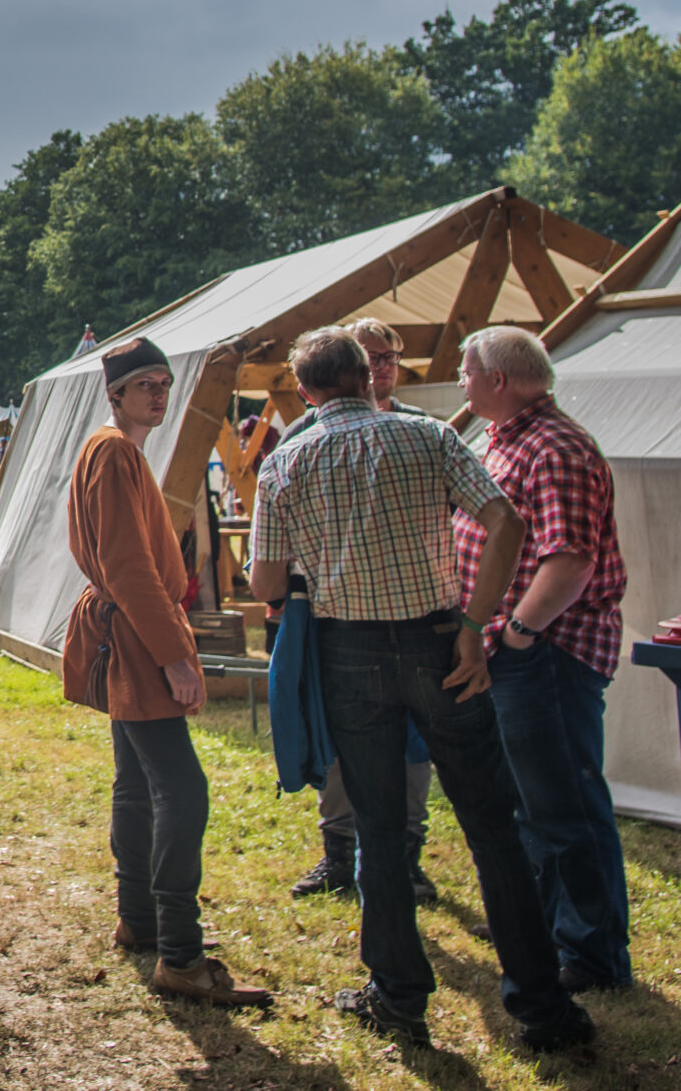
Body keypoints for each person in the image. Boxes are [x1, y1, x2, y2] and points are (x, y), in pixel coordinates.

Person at [249, 327, 590, 1052]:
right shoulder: (427, 436)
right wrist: (475, 622)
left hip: (349, 652)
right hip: (440, 642)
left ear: (307, 390)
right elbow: (507, 521)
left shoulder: (283, 464)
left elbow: (267, 584)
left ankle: (400, 997)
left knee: (378, 827)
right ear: (367, 376)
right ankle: (542, 1007)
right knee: (492, 826)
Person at [63, 336, 268, 1007]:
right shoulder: (115, 449)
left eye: (162, 382)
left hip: (127, 634)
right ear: (115, 392)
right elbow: (127, 567)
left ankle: (140, 920)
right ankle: (179, 953)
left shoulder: (112, 448)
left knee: (134, 783)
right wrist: (176, 655)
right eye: (144, 383)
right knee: (183, 789)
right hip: (139, 639)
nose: (158, 392)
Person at [458, 325, 633, 994]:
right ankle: (551, 929)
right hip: (518, 649)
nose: (463, 383)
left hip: (547, 652)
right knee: (531, 804)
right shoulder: (509, 439)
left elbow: (571, 559)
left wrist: (522, 631)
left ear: (498, 380)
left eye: (467, 373)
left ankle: (590, 953)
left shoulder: (554, 446)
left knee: (563, 804)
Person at [276, 318, 436, 902]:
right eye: (370, 357)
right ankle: (339, 851)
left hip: (413, 612)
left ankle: (405, 854)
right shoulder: (301, 435)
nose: (382, 366)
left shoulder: (423, 430)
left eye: (390, 355)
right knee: (340, 736)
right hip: (336, 616)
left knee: (413, 743)